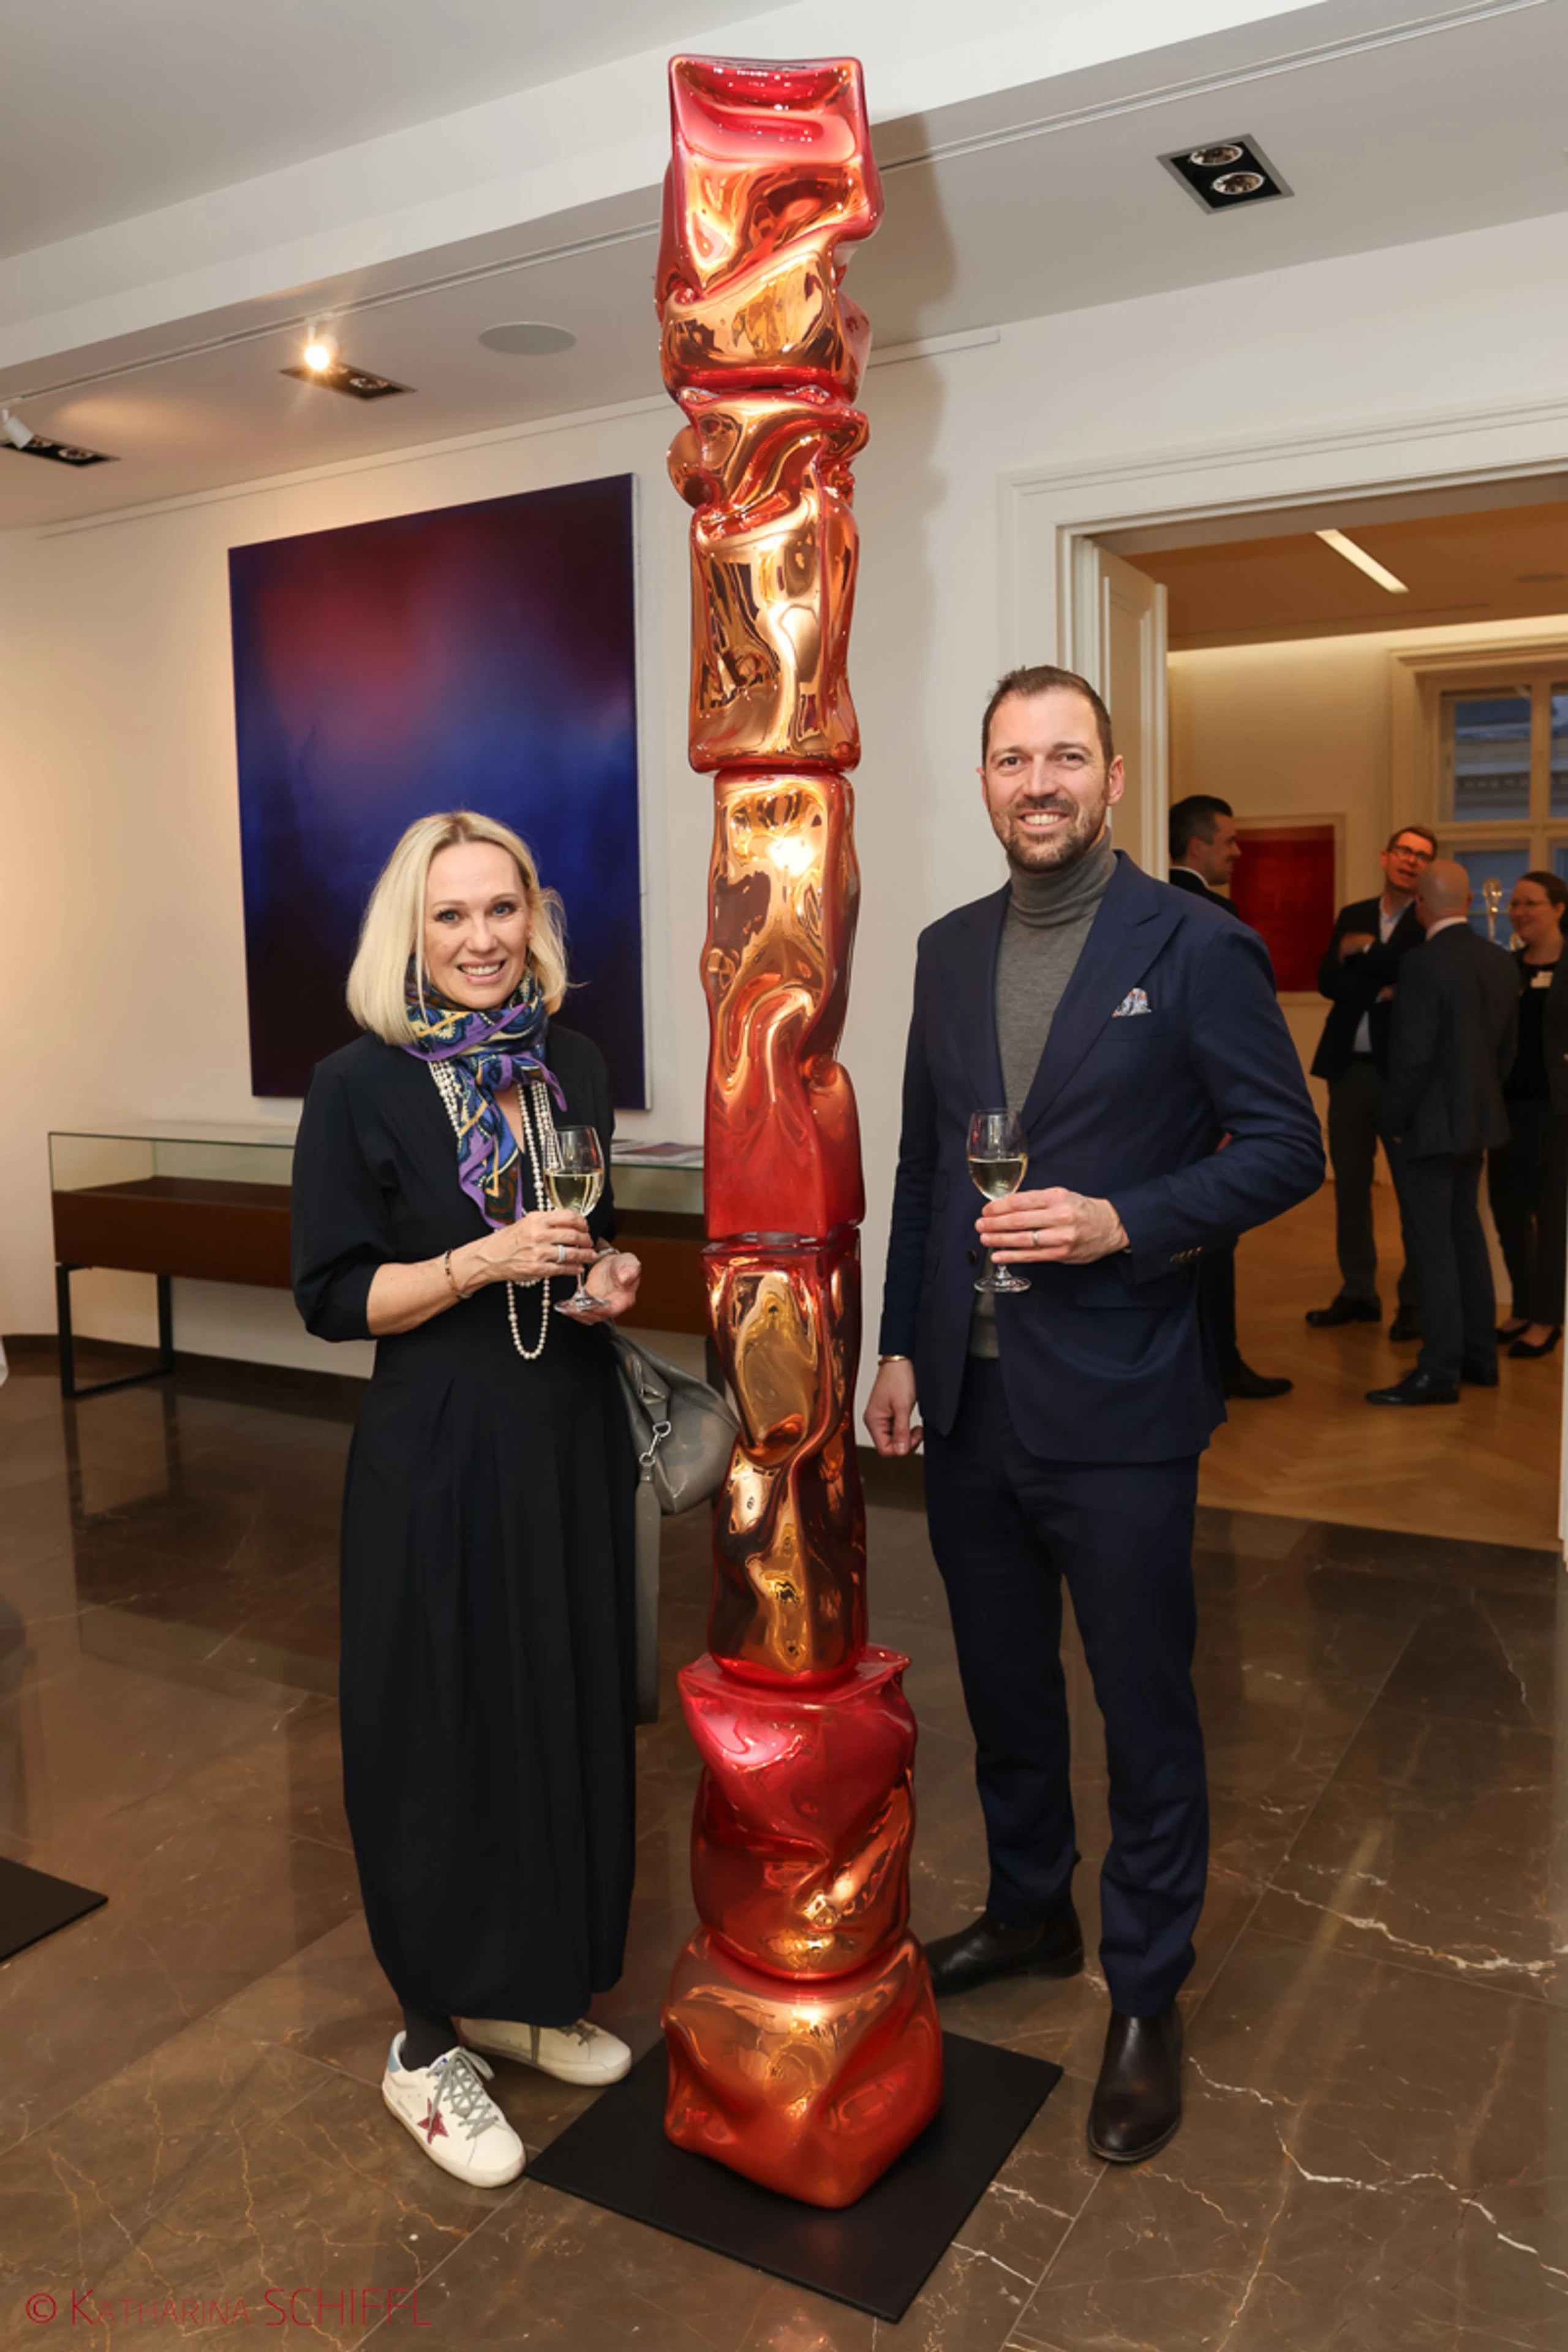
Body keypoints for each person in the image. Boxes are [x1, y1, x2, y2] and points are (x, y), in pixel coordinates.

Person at [864, 665, 1323, 2166]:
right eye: (1012, 760)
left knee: (1140, 1705)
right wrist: (898, 1347)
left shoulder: (1193, 944)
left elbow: (1283, 1148)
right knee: (1002, 1684)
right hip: (969, 1398)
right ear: (983, 783)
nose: (1038, 783)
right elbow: (925, 1170)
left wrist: (1123, 1220)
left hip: (1120, 1396)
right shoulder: (943, 951)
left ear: (1112, 780)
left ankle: (1142, 1990)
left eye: (1065, 756)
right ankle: (1026, 1909)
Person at [292, 810, 644, 2189]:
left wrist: (605, 1276)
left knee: (555, 1711)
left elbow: (592, 1237)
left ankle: (526, 1991)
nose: (482, 938)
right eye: (451, 915)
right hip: (435, 1456)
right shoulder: (355, 1086)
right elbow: (334, 1296)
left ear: (535, 919)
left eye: (504, 909)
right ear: (411, 932)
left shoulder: (573, 1063)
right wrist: (479, 1261)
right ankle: (425, 2039)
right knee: (438, 1731)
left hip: (563, 1442)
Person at [1367, 858, 1518, 1406]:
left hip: (1427, 1127)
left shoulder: (1423, 963)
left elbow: (1414, 1057)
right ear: (1470, 902)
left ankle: (1439, 1371)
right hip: (1478, 1122)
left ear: (1421, 906)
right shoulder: (1499, 960)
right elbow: (1507, 1051)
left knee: (1433, 1248)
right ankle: (1480, 1358)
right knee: (1466, 1238)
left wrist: (1394, 1120)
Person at [1167, 794, 1291, 1401]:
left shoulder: (1149, 905)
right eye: (1230, 841)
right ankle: (1220, 1363)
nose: (1238, 852)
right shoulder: (1215, 917)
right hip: (1203, 1115)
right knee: (1211, 1240)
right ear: (1197, 846)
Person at [1308, 826, 1436, 1339]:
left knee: (1412, 1191)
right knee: (1351, 1189)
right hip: (1348, 1070)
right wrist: (1380, 991)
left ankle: (1416, 1301)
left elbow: (1418, 978)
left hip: (1402, 1076)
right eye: (1404, 851)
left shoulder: (1428, 920)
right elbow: (1326, 980)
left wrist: (1363, 954)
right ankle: (1358, 1291)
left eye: (1422, 856)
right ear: (1386, 857)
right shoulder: (1354, 914)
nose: (1411, 860)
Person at [1488, 870, 1568, 1360]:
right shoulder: (1509, 967)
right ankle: (1523, 1305)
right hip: (1507, 1110)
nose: (1518, 912)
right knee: (1509, 1214)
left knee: (1554, 1218)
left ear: (1559, 908)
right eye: (1514, 904)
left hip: (1559, 1113)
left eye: (1530, 903)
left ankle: (1548, 1318)